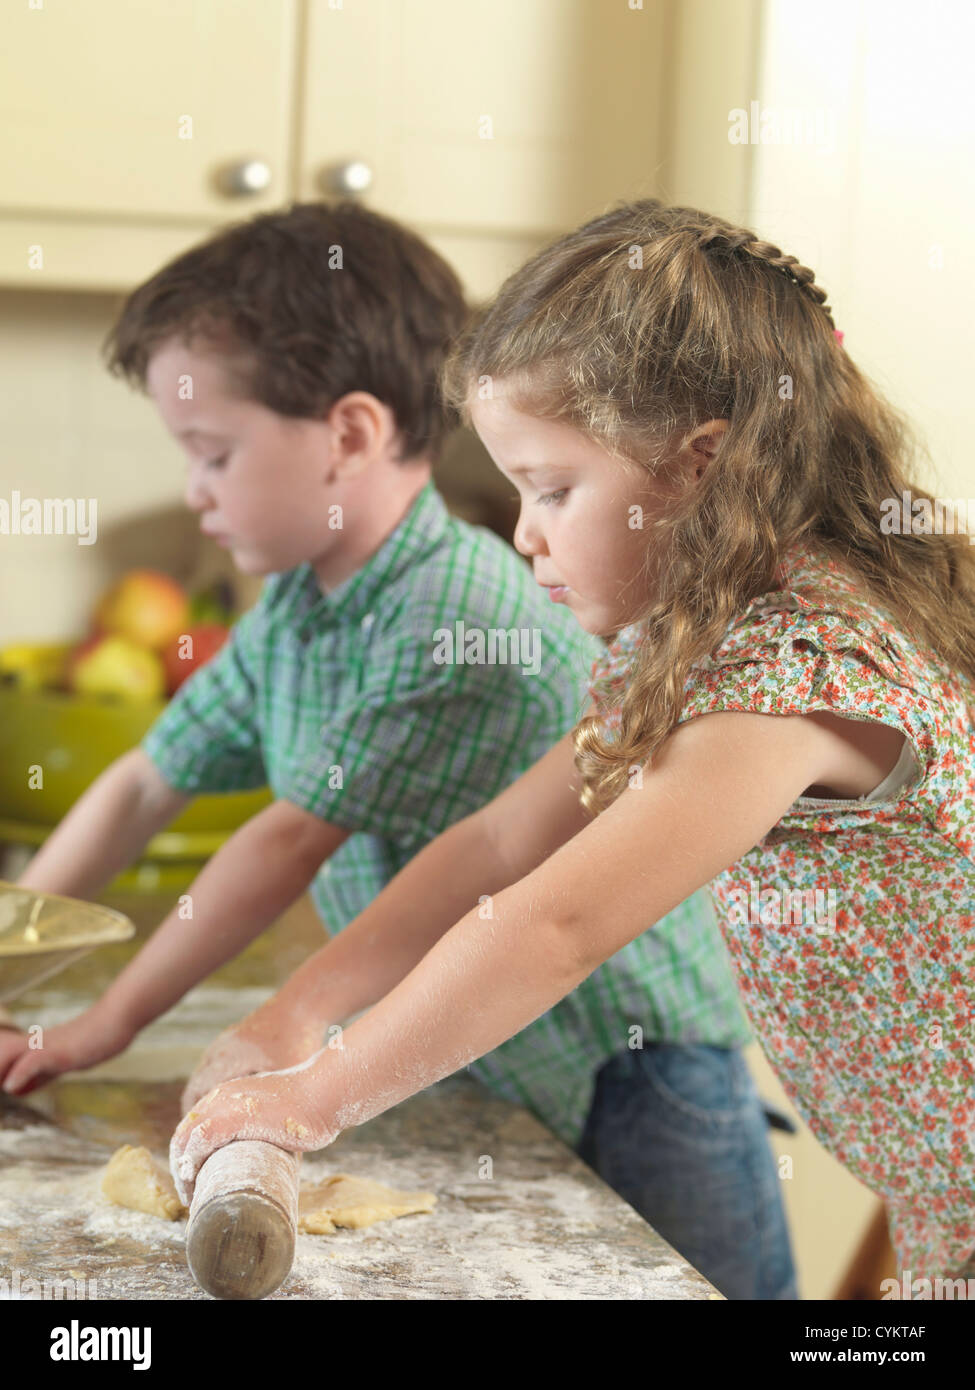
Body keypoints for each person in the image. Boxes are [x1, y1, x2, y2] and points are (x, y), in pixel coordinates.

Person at [168, 197, 975, 1293]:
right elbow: (502, 844)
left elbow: (555, 923)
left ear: (700, 467)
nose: (524, 531)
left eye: (552, 488)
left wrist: (314, 1098)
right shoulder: (700, 642)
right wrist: (297, 1009)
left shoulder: (797, 675)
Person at [0, 200, 796, 1299]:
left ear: (350, 435)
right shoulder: (293, 610)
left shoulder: (451, 618)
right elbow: (148, 776)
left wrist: (103, 1025)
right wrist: (13, 955)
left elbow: (289, 844)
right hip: (479, 1033)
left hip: (634, 1059)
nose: (193, 489)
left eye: (213, 452)